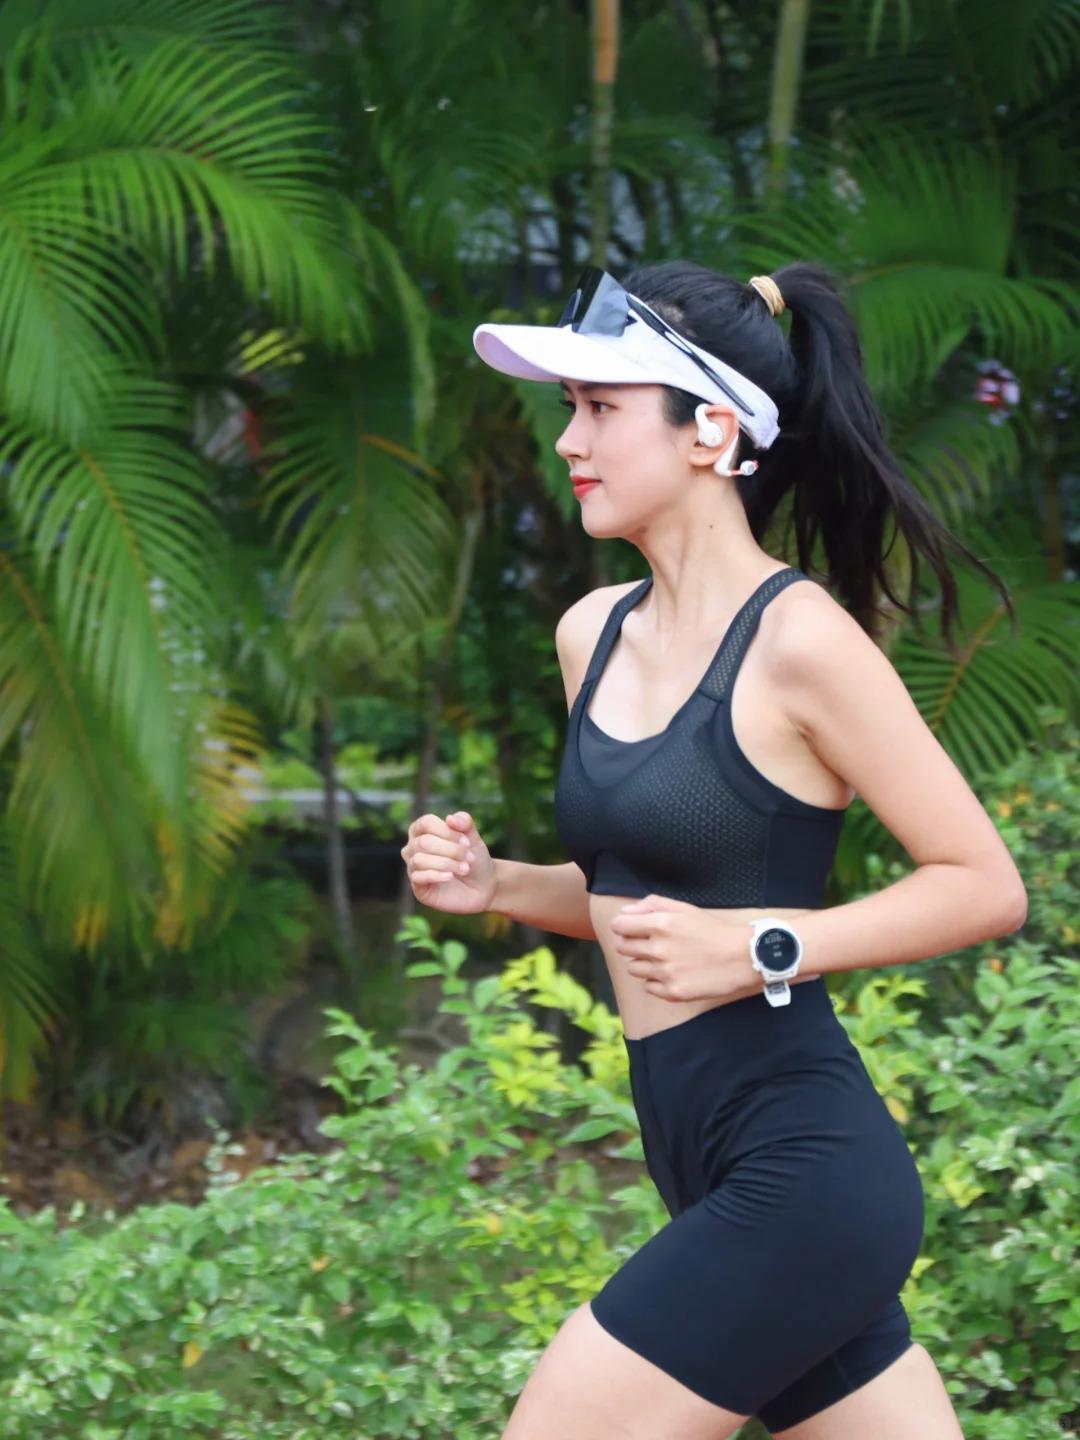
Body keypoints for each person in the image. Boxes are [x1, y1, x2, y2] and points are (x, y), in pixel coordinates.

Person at [401, 260, 1028, 1440]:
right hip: (698, 1154)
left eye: (602, 408)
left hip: (803, 1170)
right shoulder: (594, 633)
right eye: (570, 407)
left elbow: (985, 887)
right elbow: (635, 900)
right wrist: (498, 886)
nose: (569, 441)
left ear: (712, 431)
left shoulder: (802, 645)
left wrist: (766, 946)